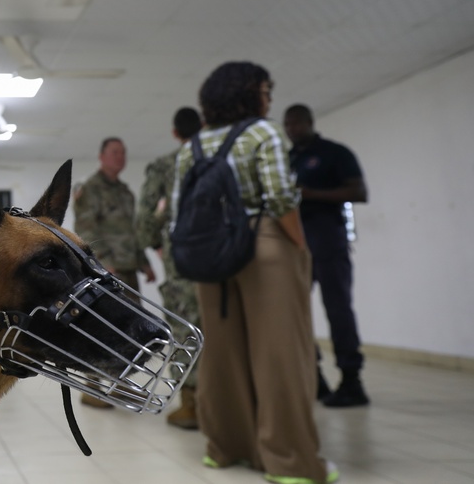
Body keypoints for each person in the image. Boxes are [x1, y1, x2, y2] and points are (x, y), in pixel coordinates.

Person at [172, 62, 337, 484]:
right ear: (247, 93)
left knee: (222, 355)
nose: (270, 96)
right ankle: (290, 462)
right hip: (265, 244)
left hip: (212, 252)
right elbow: (281, 197)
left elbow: (178, 211)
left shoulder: (193, 146)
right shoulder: (263, 132)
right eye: (266, 89)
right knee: (281, 354)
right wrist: (300, 247)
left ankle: (226, 448)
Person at [284, 104, 369, 408]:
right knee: (296, 313)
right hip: (297, 246)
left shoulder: (335, 153)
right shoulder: (288, 160)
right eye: (287, 125)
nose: (291, 130)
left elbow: (359, 192)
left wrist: (311, 194)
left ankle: (351, 379)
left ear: (309, 122)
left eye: (296, 124)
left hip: (329, 242)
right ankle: (314, 377)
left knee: (338, 310)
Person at [73, 137, 154, 409]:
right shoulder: (90, 189)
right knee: (102, 328)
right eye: (115, 152)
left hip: (128, 268)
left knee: (132, 331)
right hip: (106, 272)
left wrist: (144, 262)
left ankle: (122, 386)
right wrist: (103, 261)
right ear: (102, 156)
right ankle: (93, 387)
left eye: (124, 152)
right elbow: (85, 229)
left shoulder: (125, 192)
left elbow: (132, 232)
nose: (120, 157)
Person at [136, 106, 203, 430]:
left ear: (175, 133)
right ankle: (227, 402)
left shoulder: (165, 166)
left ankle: (192, 406)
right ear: (202, 128)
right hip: (225, 261)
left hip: (182, 263)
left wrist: (157, 245)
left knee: (185, 330)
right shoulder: (218, 160)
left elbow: (146, 215)